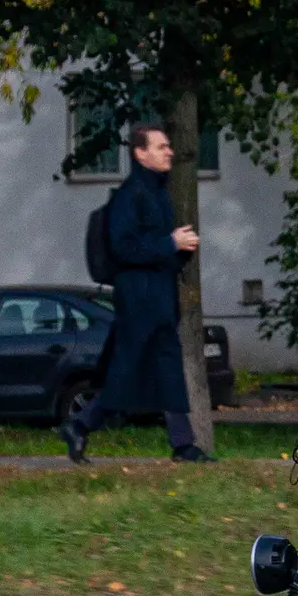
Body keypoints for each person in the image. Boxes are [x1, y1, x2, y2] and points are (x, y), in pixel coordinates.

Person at [60, 123, 213, 464]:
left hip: (158, 296)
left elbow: (154, 251)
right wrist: (170, 243)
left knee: (168, 366)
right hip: (139, 297)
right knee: (127, 370)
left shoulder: (158, 193)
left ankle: (184, 445)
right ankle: (80, 425)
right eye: (161, 147)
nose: (169, 152)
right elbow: (124, 248)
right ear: (140, 153)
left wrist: (180, 249)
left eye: (168, 146)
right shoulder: (131, 194)